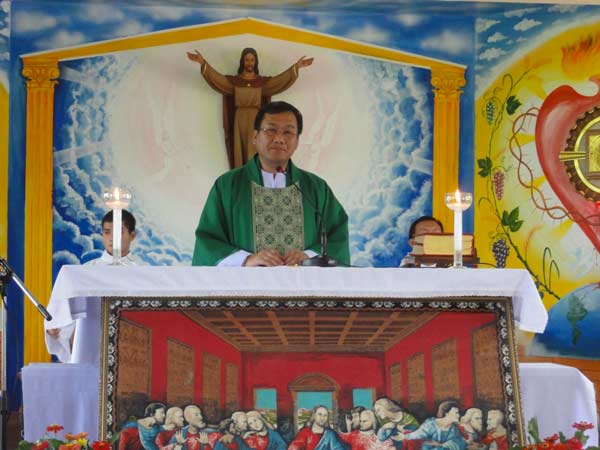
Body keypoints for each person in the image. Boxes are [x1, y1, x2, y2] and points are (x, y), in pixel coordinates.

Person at [192, 101, 350, 267]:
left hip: (303, 282)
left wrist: (309, 256)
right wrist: (247, 260)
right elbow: (208, 241)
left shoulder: (316, 188)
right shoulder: (227, 187)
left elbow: (337, 236)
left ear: (297, 141)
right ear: (255, 137)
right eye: (271, 130)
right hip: (246, 283)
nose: (279, 139)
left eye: (288, 132)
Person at [187, 47, 313, 169]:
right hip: (239, 119)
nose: (249, 63)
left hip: (255, 119)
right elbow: (218, 79)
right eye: (247, 60)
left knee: (256, 146)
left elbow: (279, 81)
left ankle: (255, 172)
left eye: (252, 60)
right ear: (242, 61)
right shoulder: (235, 82)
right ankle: (241, 173)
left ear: (255, 62)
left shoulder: (261, 83)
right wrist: (203, 63)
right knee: (239, 148)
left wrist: (296, 67)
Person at [395, 401, 465, 450]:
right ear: (446, 413)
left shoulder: (454, 430)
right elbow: (419, 434)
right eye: (456, 412)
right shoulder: (431, 424)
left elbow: (458, 443)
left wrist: (441, 445)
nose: (458, 415)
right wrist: (405, 436)